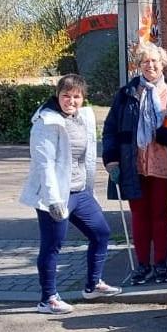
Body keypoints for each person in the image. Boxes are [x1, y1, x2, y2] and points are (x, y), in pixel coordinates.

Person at [21, 75, 121, 314]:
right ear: (58, 96)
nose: (71, 101)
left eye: (76, 96)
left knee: (101, 233)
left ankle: (93, 285)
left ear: (83, 98)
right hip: (56, 194)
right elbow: (43, 164)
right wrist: (54, 200)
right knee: (53, 245)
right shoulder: (46, 123)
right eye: (66, 95)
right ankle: (48, 299)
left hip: (80, 191)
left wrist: (90, 186)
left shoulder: (82, 117)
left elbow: (85, 156)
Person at [102, 43, 167, 285]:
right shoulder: (127, 93)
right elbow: (111, 129)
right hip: (134, 164)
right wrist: (111, 159)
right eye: (145, 61)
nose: (150, 65)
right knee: (139, 216)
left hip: (164, 164)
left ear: (163, 63)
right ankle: (142, 265)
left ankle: (161, 265)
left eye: (154, 61)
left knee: (161, 216)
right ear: (139, 65)